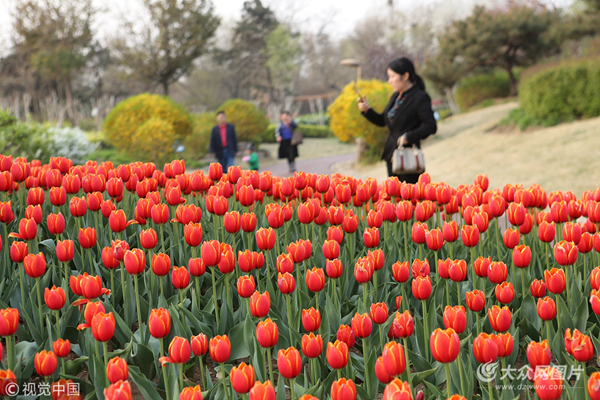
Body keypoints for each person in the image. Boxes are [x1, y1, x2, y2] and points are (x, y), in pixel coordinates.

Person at [358, 57, 437, 183]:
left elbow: (431, 126)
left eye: (392, 76)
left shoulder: (419, 97)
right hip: (392, 155)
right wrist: (367, 110)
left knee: (409, 199)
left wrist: (409, 136)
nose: (389, 81)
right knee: (395, 198)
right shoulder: (396, 96)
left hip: (408, 159)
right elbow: (382, 120)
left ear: (405, 76)